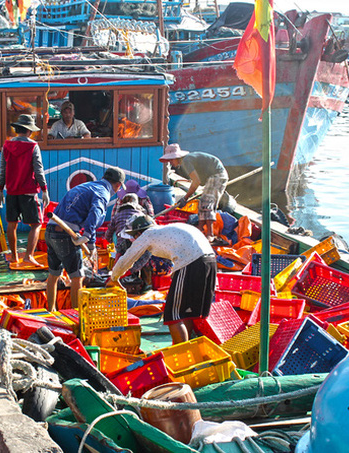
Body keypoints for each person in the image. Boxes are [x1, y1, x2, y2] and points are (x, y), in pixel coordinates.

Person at [108, 216, 216, 345]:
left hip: (192, 263)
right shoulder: (165, 231)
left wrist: (114, 277)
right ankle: (183, 348)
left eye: (134, 236)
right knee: (185, 312)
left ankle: (179, 350)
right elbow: (180, 250)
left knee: (172, 314)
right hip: (210, 261)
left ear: (138, 233)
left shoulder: (147, 235)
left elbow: (128, 258)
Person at [46, 167, 126, 311]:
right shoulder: (103, 193)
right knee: (77, 277)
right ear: (118, 185)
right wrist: (87, 235)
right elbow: (96, 213)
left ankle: (50, 310)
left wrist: (91, 243)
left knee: (53, 274)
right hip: (66, 234)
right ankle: (76, 315)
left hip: (51, 229)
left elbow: (91, 218)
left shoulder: (88, 187)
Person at [0, 114, 50, 267]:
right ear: (29, 131)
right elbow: (38, 170)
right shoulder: (33, 146)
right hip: (28, 192)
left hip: (11, 191)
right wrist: (45, 190)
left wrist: (0, 190)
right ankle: (28, 256)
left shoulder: (7, 146)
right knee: (36, 224)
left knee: (12, 224)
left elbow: (3, 169)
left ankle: (14, 256)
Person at [159, 144, 229, 242]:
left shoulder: (186, 161)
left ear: (177, 157)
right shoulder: (186, 161)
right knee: (201, 204)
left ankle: (210, 234)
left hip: (217, 175)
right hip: (211, 177)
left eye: (171, 160)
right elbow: (197, 180)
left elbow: (196, 182)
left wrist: (185, 198)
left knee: (207, 203)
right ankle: (199, 231)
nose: (171, 163)